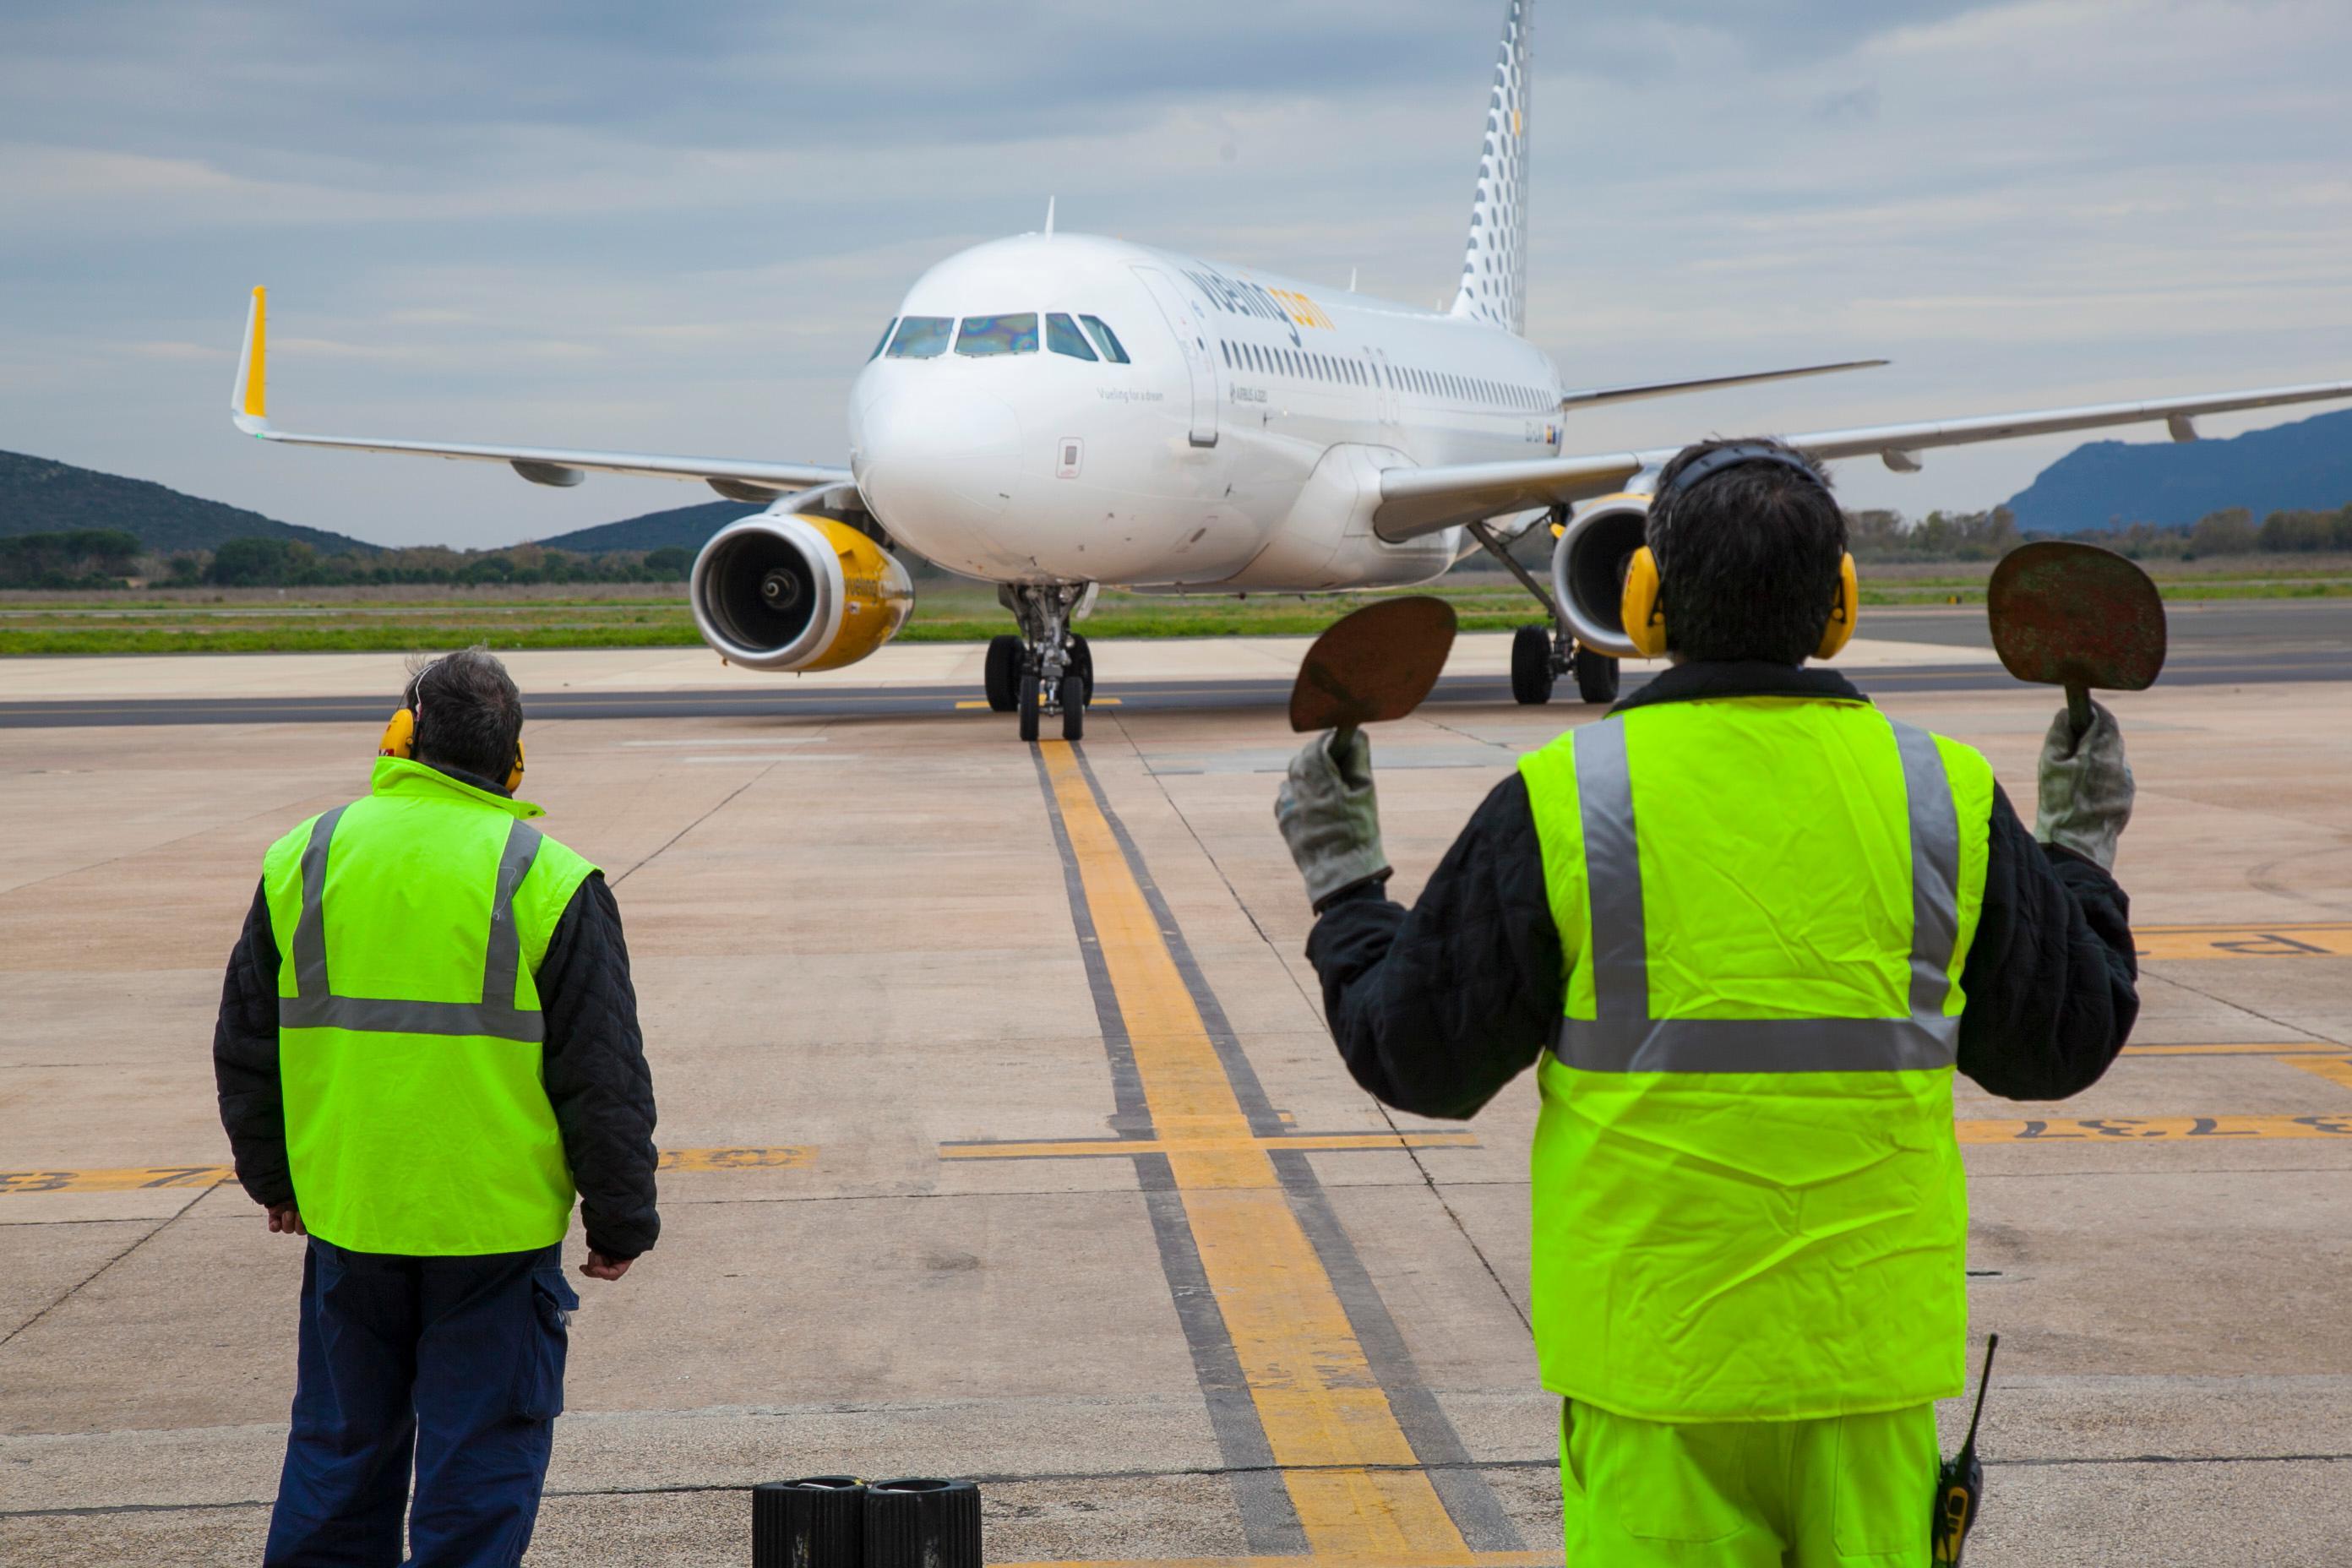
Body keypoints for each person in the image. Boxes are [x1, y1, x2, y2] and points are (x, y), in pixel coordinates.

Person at [1275, 439, 2138, 1567]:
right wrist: (2080, 852)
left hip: (1655, 1374)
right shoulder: (1944, 792)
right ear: (1839, 605)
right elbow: (2062, 1044)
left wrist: (1347, 891)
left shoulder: (1566, 798)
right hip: (1865, 1369)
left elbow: (1419, 1058)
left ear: (1643, 602)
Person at [213, 645, 661, 1568]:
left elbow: (247, 1041)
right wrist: (621, 1216)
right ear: (515, 759)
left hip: (353, 1209)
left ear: (402, 738)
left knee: (339, 1457)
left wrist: (276, 1176)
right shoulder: (549, 876)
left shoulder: (309, 852)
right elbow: (603, 1072)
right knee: (478, 1463)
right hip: (491, 1229)